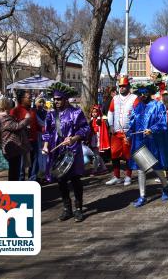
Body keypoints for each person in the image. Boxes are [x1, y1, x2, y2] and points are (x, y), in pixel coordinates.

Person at [42, 82, 89, 222]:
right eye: (54, 99)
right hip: (57, 150)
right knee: (61, 180)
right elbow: (48, 132)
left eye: (59, 99)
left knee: (75, 179)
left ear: (65, 99)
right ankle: (66, 208)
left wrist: (74, 138)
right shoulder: (51, 115)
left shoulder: (76, 112)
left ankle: (78, 208)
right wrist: (45, 146)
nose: (56, 102)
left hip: (72, 150)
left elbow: (85, 129)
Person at [128, 84, 168, 207]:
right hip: (139, 140)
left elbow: (162, 123)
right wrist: (127, 132)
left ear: (149, 93)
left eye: (145, 93)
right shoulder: (137, 107)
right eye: (140, 93)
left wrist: (152, 129)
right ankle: (142, 196)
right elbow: (132, 122)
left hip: (152, 141)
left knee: (156, 166)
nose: (142, 96)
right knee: (141, 168)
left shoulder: (158, 105)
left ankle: (165, 185)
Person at [106, 76, 139, 186]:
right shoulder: (115, 98)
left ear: (128, 86)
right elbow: (110, 112)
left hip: (127, 132)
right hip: (116, 131)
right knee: (114, 154)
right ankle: (116, 176)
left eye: (124, 86)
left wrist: (134, 127)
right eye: (120, 86)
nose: (122, 88)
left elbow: (138, 114)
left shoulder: (134, 98)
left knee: (127, 155)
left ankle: (128, 177)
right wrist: (110, 125)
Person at [0, 98, 31, 181]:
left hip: (12, 147)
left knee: (14, 170)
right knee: (14, 171)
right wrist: (27, 119)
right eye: (9, 104)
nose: (11, 105)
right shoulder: (3, 118)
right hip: (12, 148)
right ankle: (12, 190)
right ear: (5, 106)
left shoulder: (4, 117)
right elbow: (16, 126)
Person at [10, 90, 40, 181]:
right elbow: (13, 127)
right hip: (21, 143)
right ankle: (21, 184)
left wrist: (46, 130)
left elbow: (36, 125)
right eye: (29, 98)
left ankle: (33, 181)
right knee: (21, 165)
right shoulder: (14, 111)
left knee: (35, 162)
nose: (31, 99)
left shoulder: (32, 111)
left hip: (33, 141)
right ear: (22, 99)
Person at [87, 105, 110, 175]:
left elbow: (102, 131)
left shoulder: (101, 121)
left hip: (98, 139)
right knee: (97, 154)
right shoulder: (91, 120)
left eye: (95, 112)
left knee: (96, 155)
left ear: (98, 112)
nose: (94, 113)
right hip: (93, 139)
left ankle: (95, 169)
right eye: (93, 112)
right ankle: (104, 168)